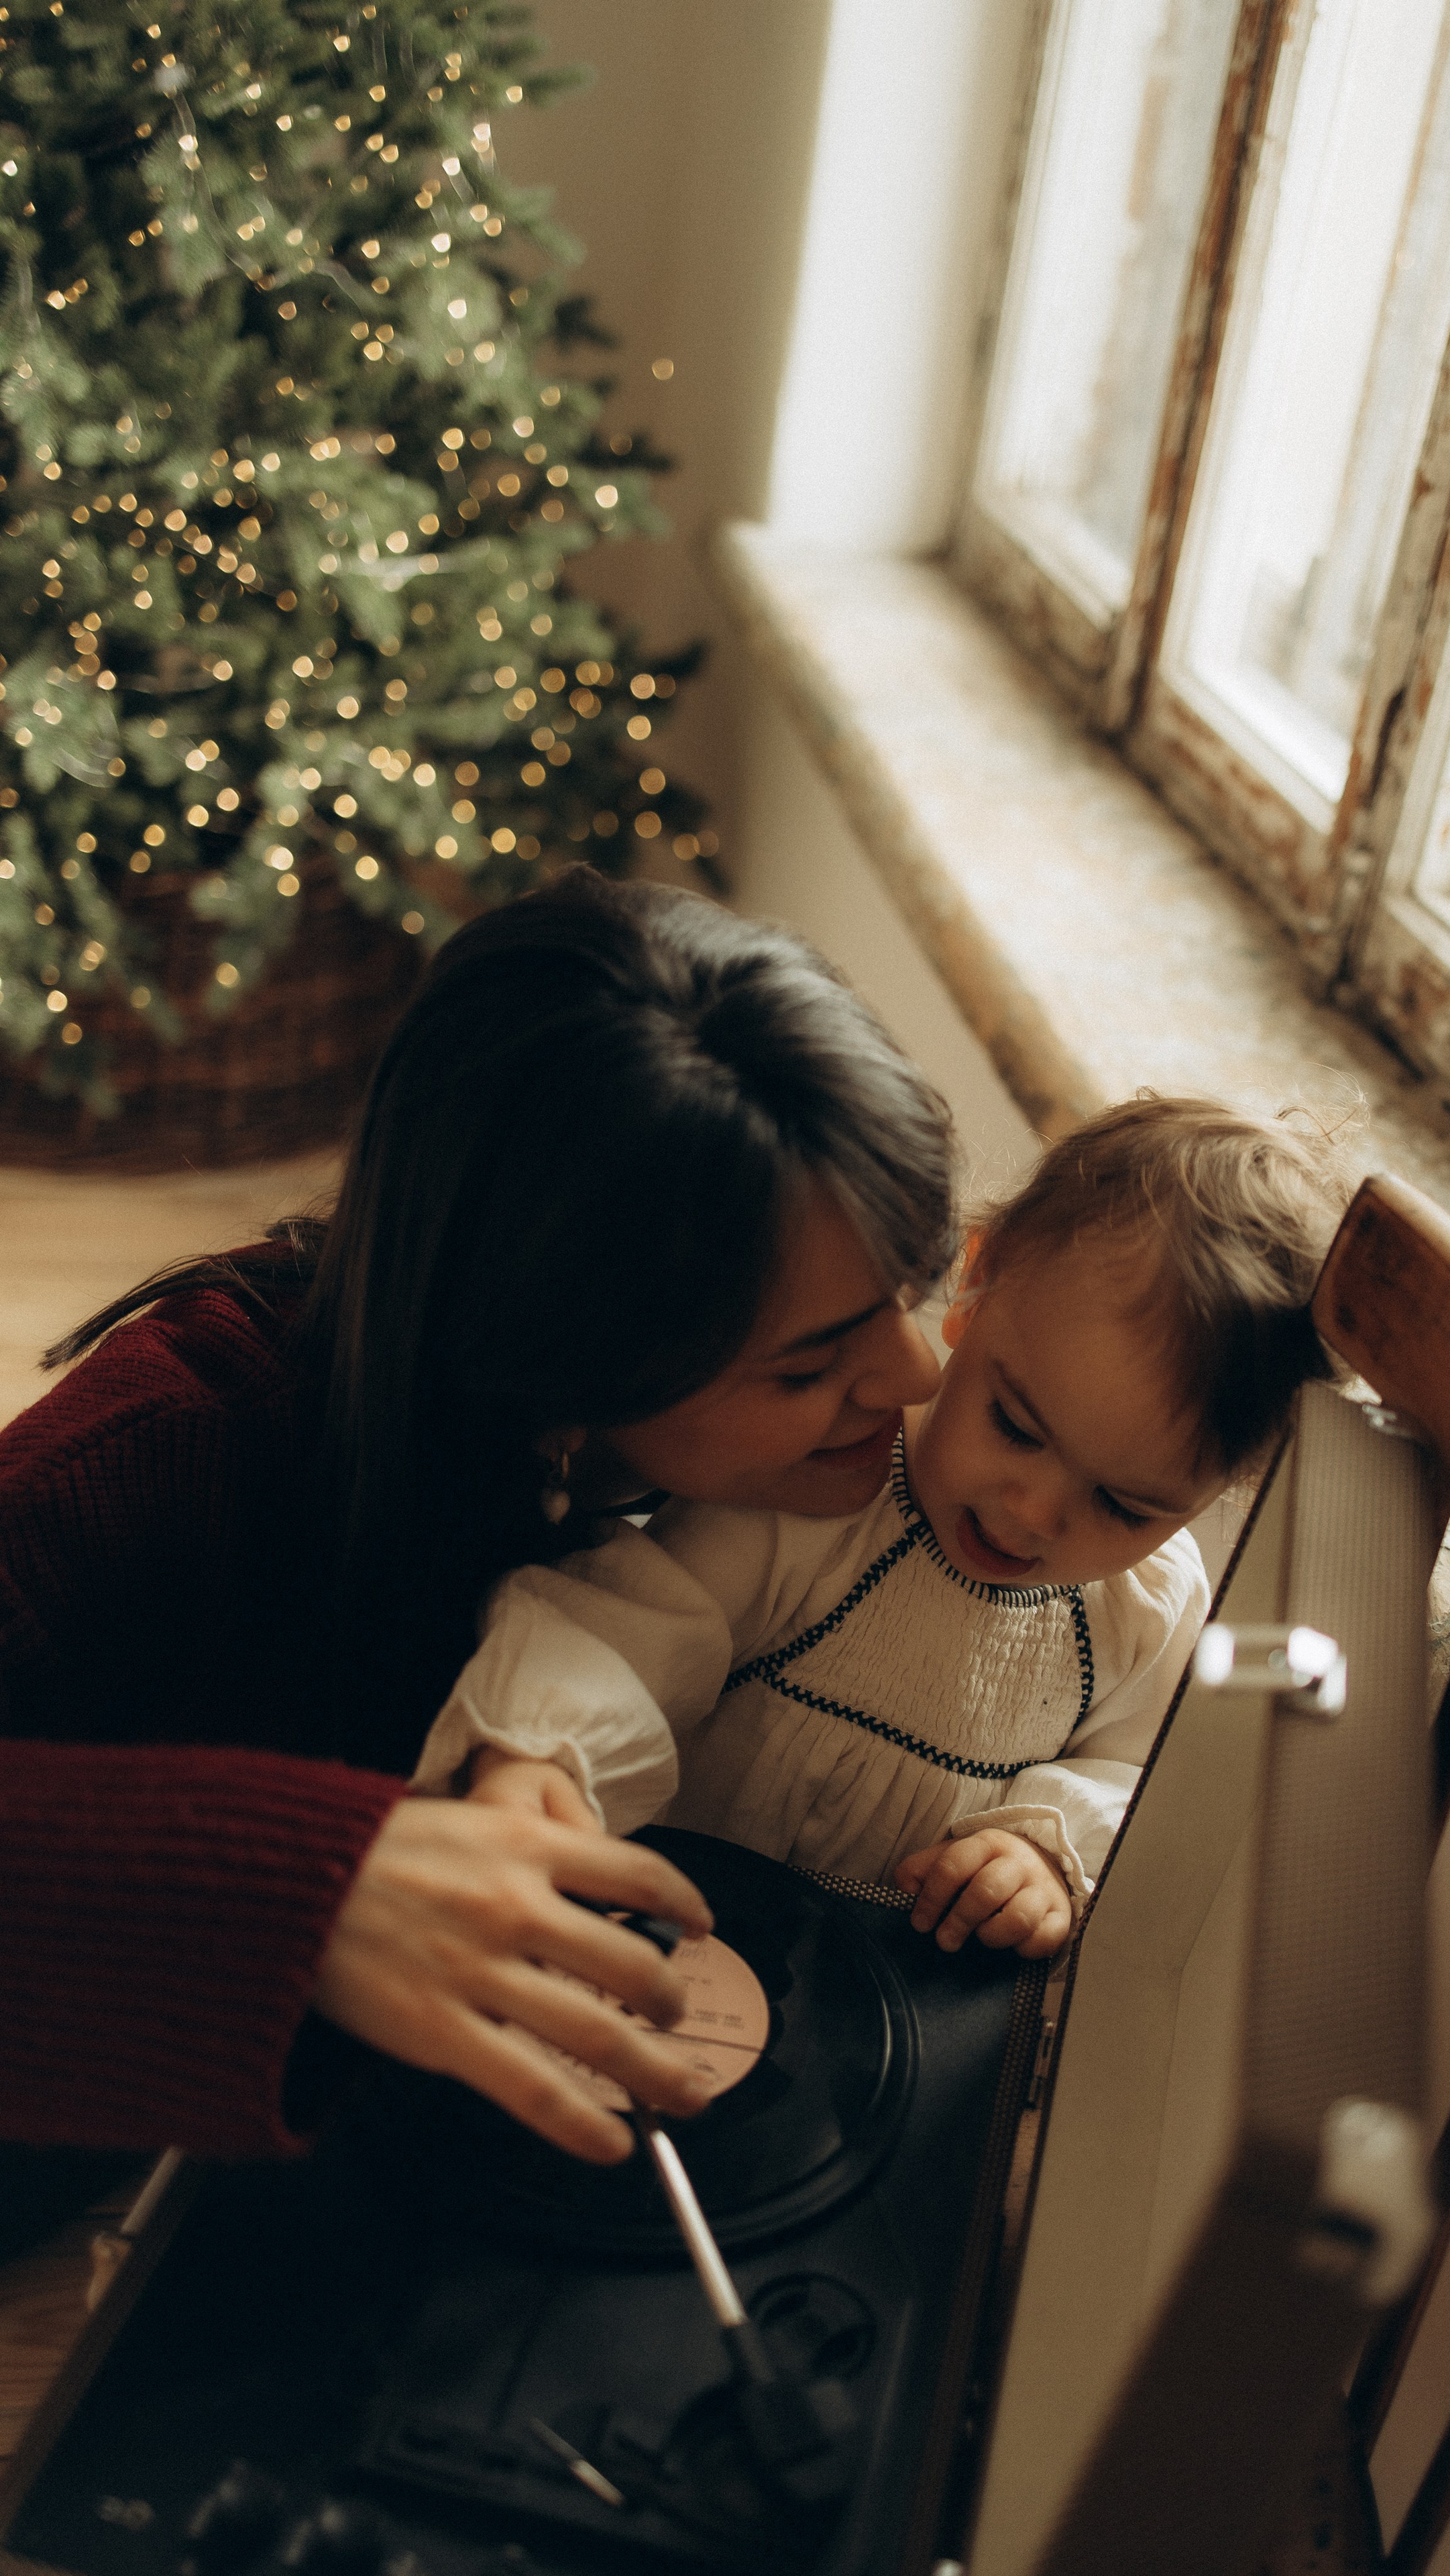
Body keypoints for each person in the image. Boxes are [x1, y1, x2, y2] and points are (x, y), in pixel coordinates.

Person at [0, 867, 960, 2194]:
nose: (914, 1378)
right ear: (560, 1353)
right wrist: (303, 1899)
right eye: (808, 1367)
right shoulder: (162, 1450)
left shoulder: (672, 1463)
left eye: (917, 1284)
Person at [418, 1097, 1353, 1963]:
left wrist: (1043, 1849)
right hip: (665, 1911)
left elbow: (1128, 1767)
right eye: (1016, 1426)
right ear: (979, 1281)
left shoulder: (1145, 1609)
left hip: (876, 1990)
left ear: (1228, 1486)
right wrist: (545, 1756)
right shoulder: (824, 1495)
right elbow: (630, 1630)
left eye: (1125, 1506)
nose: (1032, 1513)